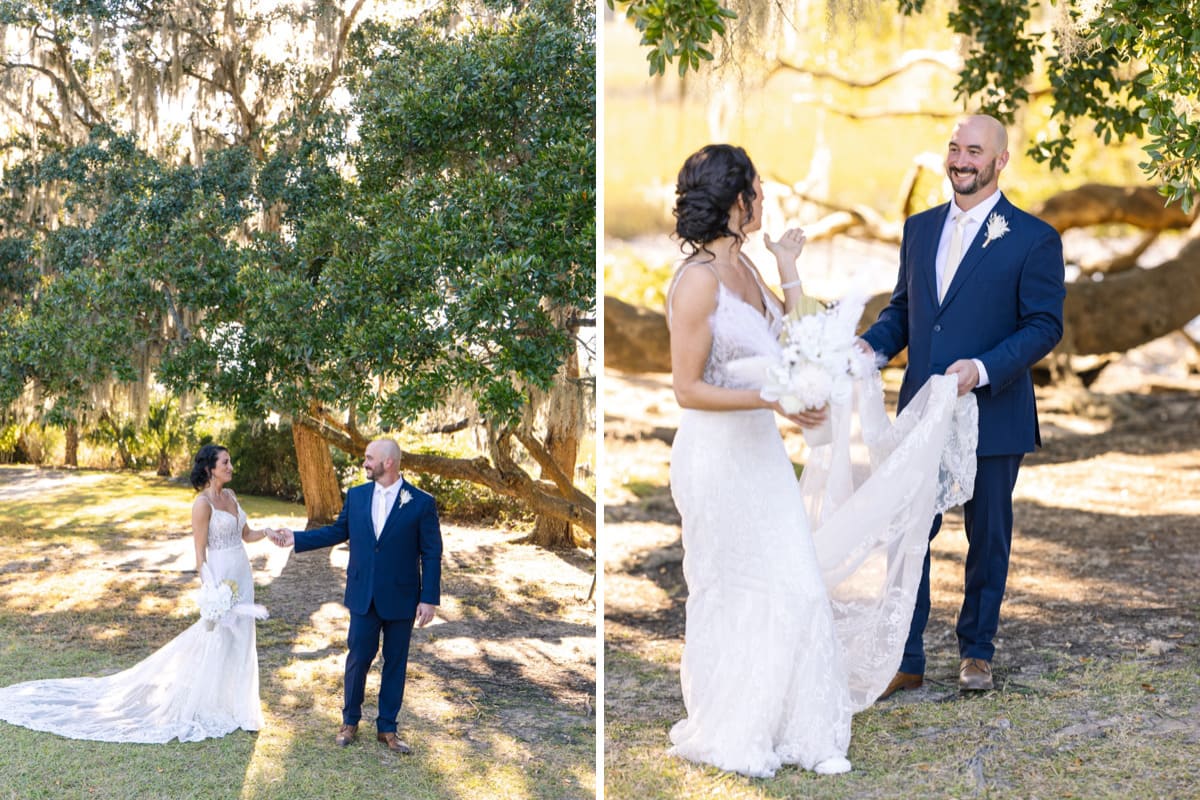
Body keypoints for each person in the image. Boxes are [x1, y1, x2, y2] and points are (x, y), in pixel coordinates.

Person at [664, 144, 975, 778]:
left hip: (760, 451)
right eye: (757, 187)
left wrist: (789, 268)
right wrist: (775, 399)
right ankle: (737, 729)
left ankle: (803, 729)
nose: (764, 197)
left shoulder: (747, 266)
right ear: (735, 200)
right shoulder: (697, 280)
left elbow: (793, 338)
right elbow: (687, 389)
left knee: (796, 582)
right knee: (733, 589)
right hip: (717, 457)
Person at [861, 114, 1065, 698]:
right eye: (954, 148)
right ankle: (906, 656)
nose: (961, 160)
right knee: (909, 533)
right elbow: (905, 311)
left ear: (1000, 161)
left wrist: (981, 370)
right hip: (923, 410)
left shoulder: (1033, 237)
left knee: (988, 537)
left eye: (974, 150)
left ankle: (977, 652)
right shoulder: (919, 229)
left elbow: (1044, 326)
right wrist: (871, 346)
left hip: (994, 410)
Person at [0, 443, 273, 743]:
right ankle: (214, 703)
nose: (231, 466)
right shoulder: (202, 504)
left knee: (243, 637)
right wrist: (211, 594)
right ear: (210, 468)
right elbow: (200, 557)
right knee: (217, 639)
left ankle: (242, 707)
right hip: (220, 579)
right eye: (225, 462)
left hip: (241, 574)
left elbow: (245, 534)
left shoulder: (231, 497)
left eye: (230, 461)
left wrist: (269, 532)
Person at [268, 438, 441, 754]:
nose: (365, 463)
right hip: (363, 595)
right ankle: (350, 721)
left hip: (402, 597)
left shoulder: (420, 502)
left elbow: (431, 553)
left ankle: (388, 727)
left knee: (395, 663)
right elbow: (337, 531)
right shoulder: (357, 496)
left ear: (388, 462)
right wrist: (297, 538)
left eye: (369, 458)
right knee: (358, 658)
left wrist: (428, 598)